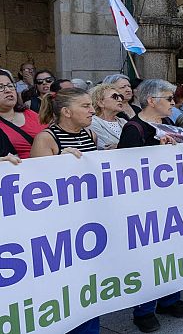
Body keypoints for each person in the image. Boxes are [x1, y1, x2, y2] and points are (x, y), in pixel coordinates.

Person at [117, 79, 183, 332]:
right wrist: (154, 151)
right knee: (150, 257)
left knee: (173, 252)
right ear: (152, 101)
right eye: (169, 99)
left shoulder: (169, 124)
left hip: (171, 199)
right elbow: (125, 168)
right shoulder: (134, 128)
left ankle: (170, 298)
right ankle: (144, 310)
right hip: (145, 205)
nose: (174, 103)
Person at [29, 88, 101, 334]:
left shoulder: (90, 133)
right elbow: (37, 188)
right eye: (86, 106)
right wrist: (60, 160)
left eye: (91, 105)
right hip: (61, 226)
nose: (92, 110)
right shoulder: (46, 139)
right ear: (66, 112)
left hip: (89, 219)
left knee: (90, 282)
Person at [0, 69, 47, 158]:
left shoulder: (31, 114)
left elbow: (53, 141)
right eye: (0, 87)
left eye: (10, 86)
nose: (8, 90)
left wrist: (62, 152)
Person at [89, 84, 127, 149]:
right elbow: (106, 146)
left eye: (120, 96)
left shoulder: (123, 121)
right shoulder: (92, 122)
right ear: (100, 103)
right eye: (114, 96)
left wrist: (118, 145)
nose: (120, 99)